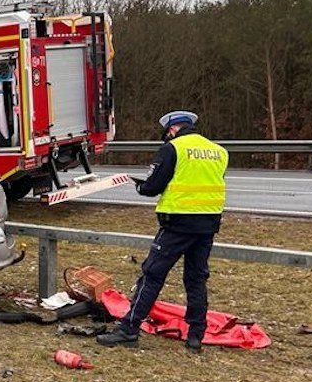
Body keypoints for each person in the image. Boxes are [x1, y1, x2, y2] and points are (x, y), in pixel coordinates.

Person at [97, 110, 229, 353]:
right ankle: (196, 335)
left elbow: (153, 186)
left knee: (152, 275)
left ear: (172, 129)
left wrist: (141, 186)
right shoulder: (218, 151)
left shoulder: (173, 149)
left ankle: (128, 330)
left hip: (177, 225)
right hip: (207, 225)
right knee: (196, 279)